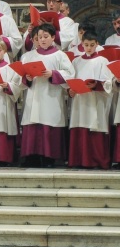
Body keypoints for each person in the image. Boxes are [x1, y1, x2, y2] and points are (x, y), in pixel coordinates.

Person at [20, 23, 74, 168]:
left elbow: (70, 74)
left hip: (51, 96)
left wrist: (53, 74)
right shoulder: (28, 56)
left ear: (52, 37)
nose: (42, 40)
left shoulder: (60, 55)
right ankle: (32, 157)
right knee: (33, 123)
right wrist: (27, 79)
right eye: (39, 37)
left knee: (49, 124)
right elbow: (19, 77)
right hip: (33, 95)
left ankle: (49, 158)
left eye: (45, 37)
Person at [67, 31, 113, 169]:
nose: (89, 48)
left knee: (95, 126)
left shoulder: (102, 61)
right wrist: (70, 90)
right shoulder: (76, 61)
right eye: (86, 45)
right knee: (79, 125)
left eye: (92, 45)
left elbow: (108, 82)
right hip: (79, 100)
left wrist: (96, 85)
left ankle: (97, 160)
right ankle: (78, 160)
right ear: (82, 44)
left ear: (97, 44)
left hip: (95, 99)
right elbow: (70, 80)